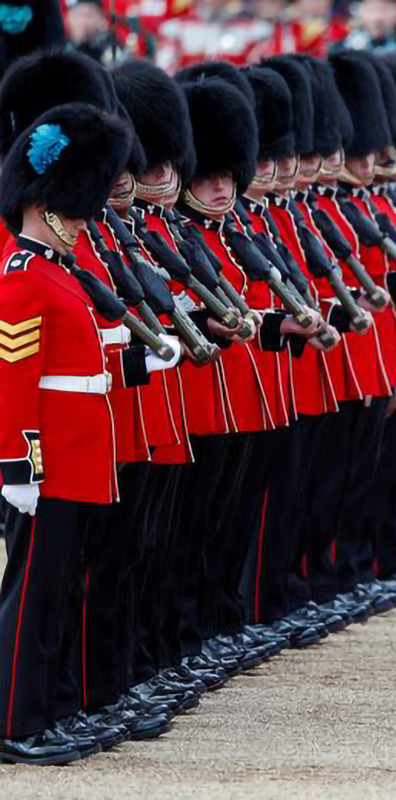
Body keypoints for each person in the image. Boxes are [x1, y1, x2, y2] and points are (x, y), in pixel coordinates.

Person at [0, 101, 181, 765]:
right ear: (47, 204)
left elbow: (84, 367)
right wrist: (17, 465)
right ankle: (16, 720)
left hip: (81, 456)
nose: (84, 221)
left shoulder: (60, 274)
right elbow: (15, 383)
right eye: (75, 208)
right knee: (33, 595)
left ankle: (53, 708)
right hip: (48, 463)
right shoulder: (23, 280)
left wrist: (140, 361)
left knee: (63, 590)